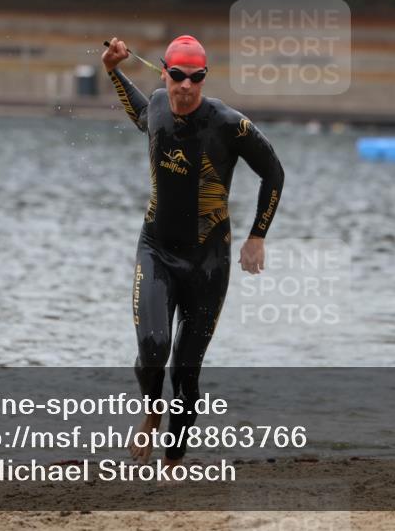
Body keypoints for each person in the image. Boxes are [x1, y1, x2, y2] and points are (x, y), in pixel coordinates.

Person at [101, 34, 284, 469]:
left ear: (204, 78)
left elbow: (274, 173)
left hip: (208, 262)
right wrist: (112, 70)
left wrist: (257, 236)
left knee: (186, 373)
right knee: (152, 348)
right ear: (164, 72)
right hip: (157, 250)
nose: (186, 85)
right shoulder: (158, 106)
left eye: (196, 77)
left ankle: (172, 462)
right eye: (179, 75)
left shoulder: (229, 124)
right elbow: (141, 112)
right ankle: (152, 410)